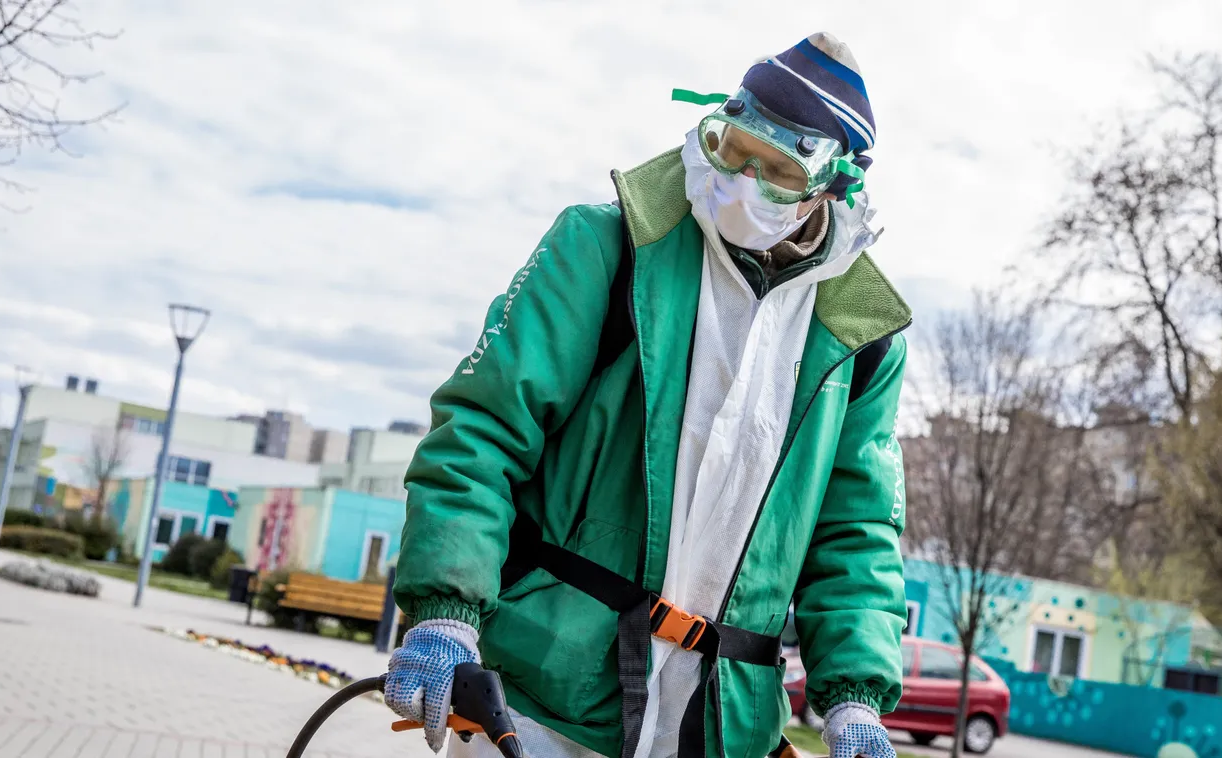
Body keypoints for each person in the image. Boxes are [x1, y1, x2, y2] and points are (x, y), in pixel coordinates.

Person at [387, 32, 909, 758]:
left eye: (778, 170)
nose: (743, 182)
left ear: (834, 184)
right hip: (549, 696)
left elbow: (854, 538)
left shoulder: (861, 340)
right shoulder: (607, 247)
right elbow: (483, 428)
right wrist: (444, 607)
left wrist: (855, 700)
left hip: (718, 725)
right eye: (734, 151)